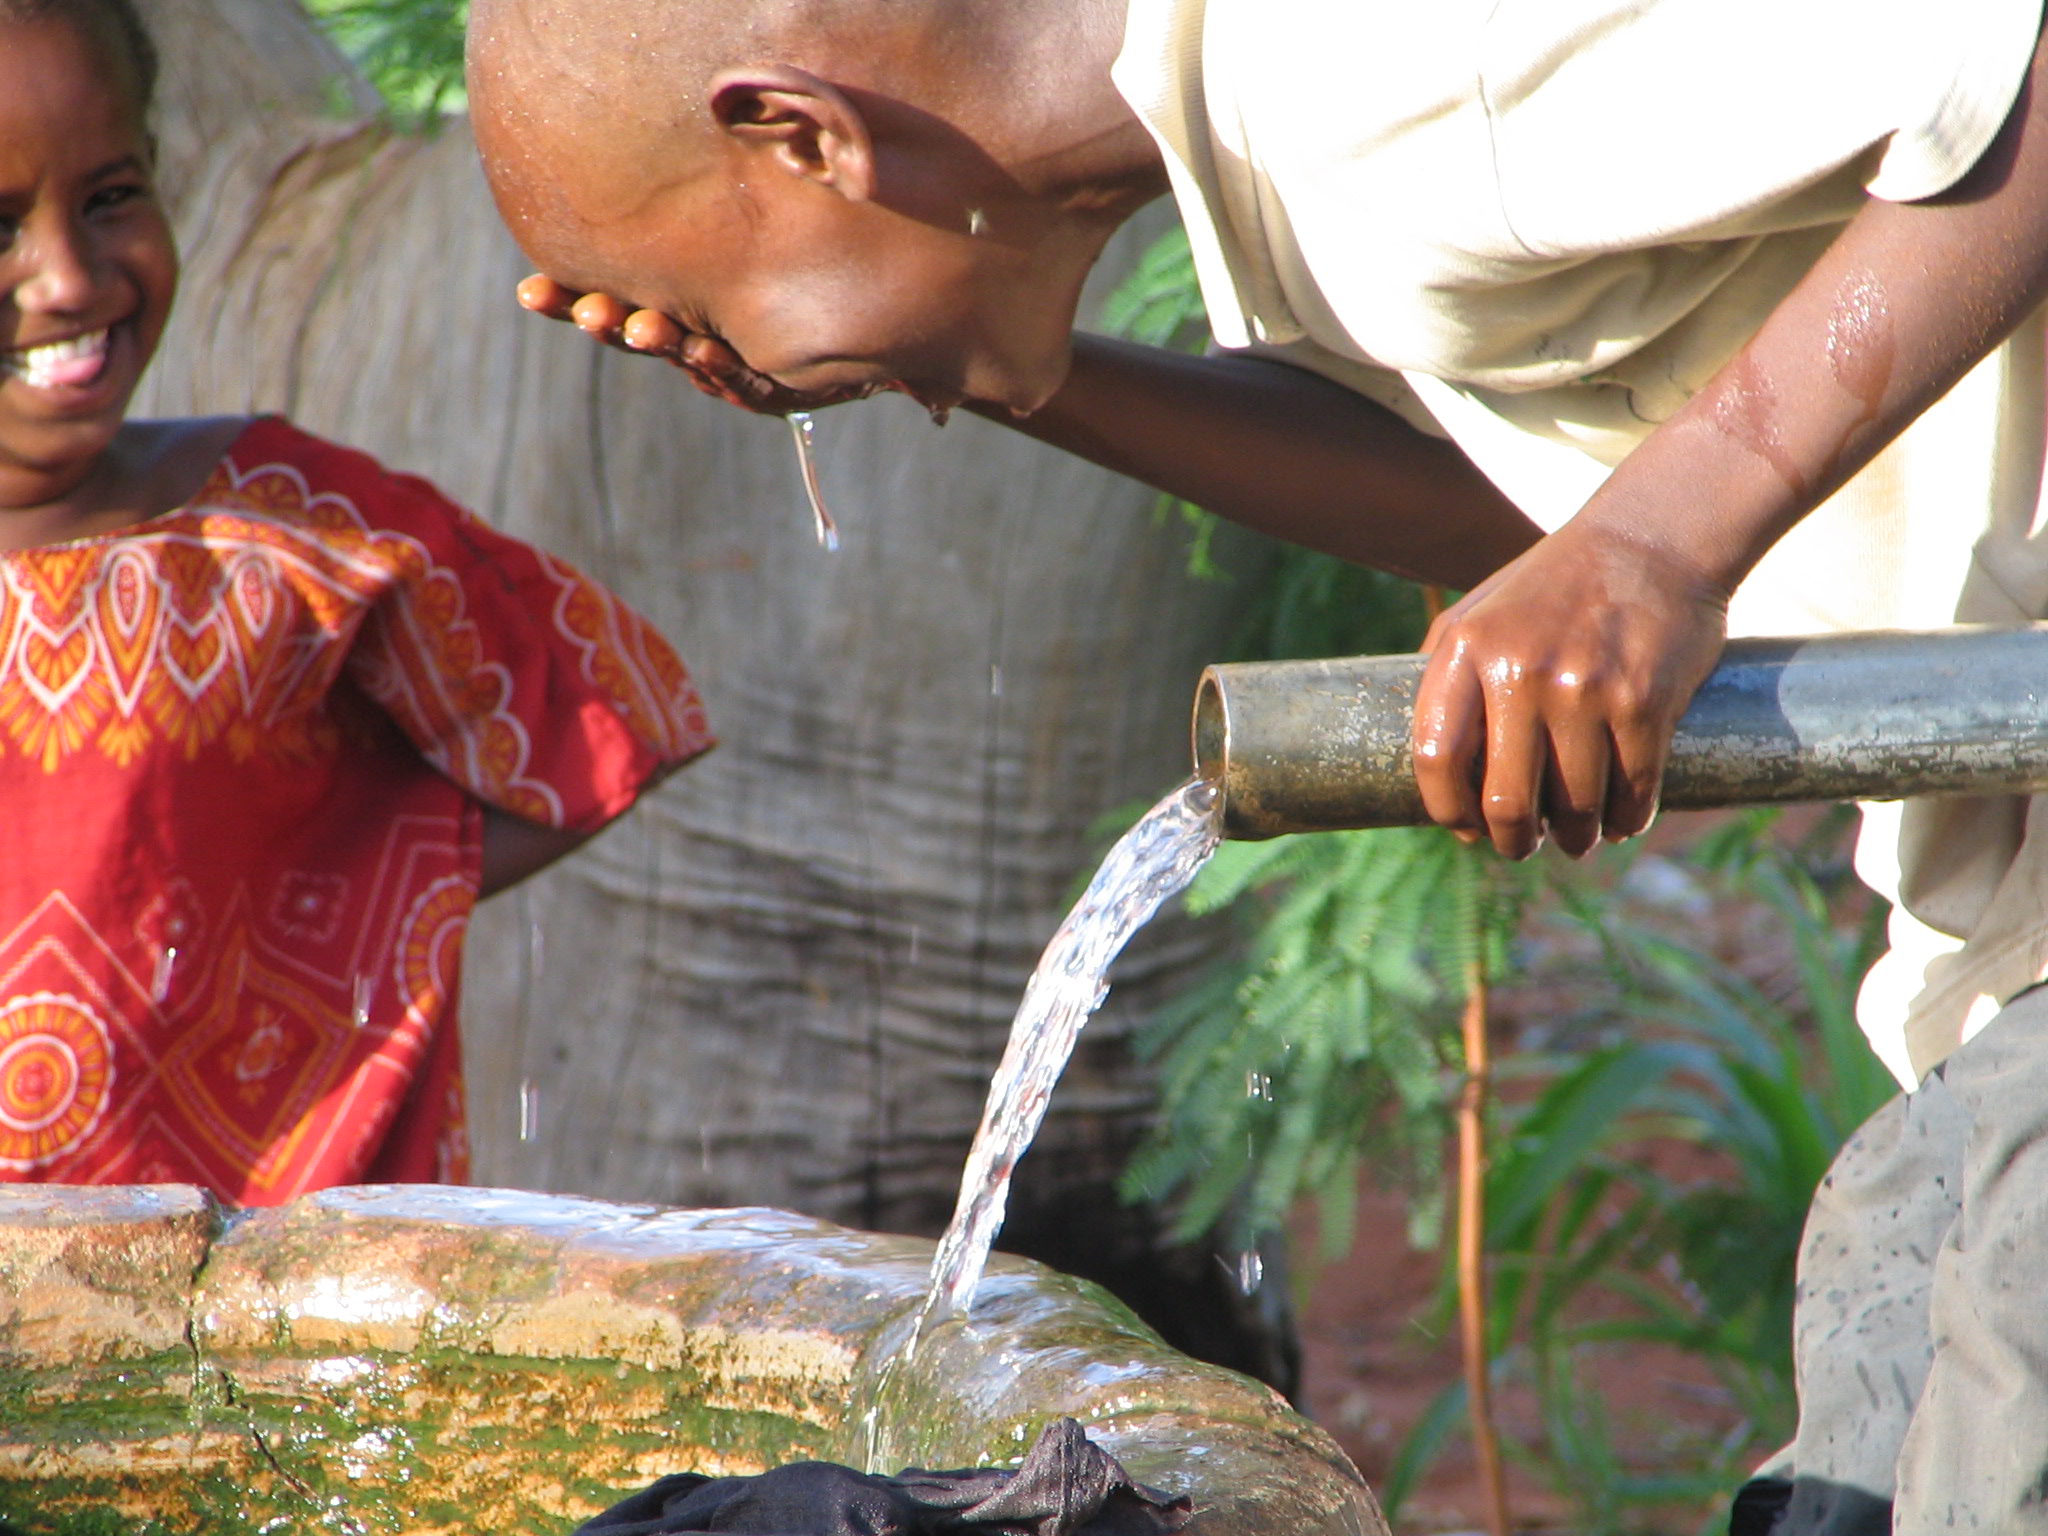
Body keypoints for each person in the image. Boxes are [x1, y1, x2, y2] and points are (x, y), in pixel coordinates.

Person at [462, 0, 2048, 1528]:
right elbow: (1532, 493)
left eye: (716, 308)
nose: (744, 368)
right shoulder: (1309, 130)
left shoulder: (1372, 68)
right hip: (1993, 954)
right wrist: (986, 362)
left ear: (803, 135)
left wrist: (1663, 537)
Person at [0, 0, 712, 1206]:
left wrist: (326, 896)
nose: (70, 276)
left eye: (113, 195)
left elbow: (613, 716)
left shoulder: (287, 525)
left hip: (254, 1334)